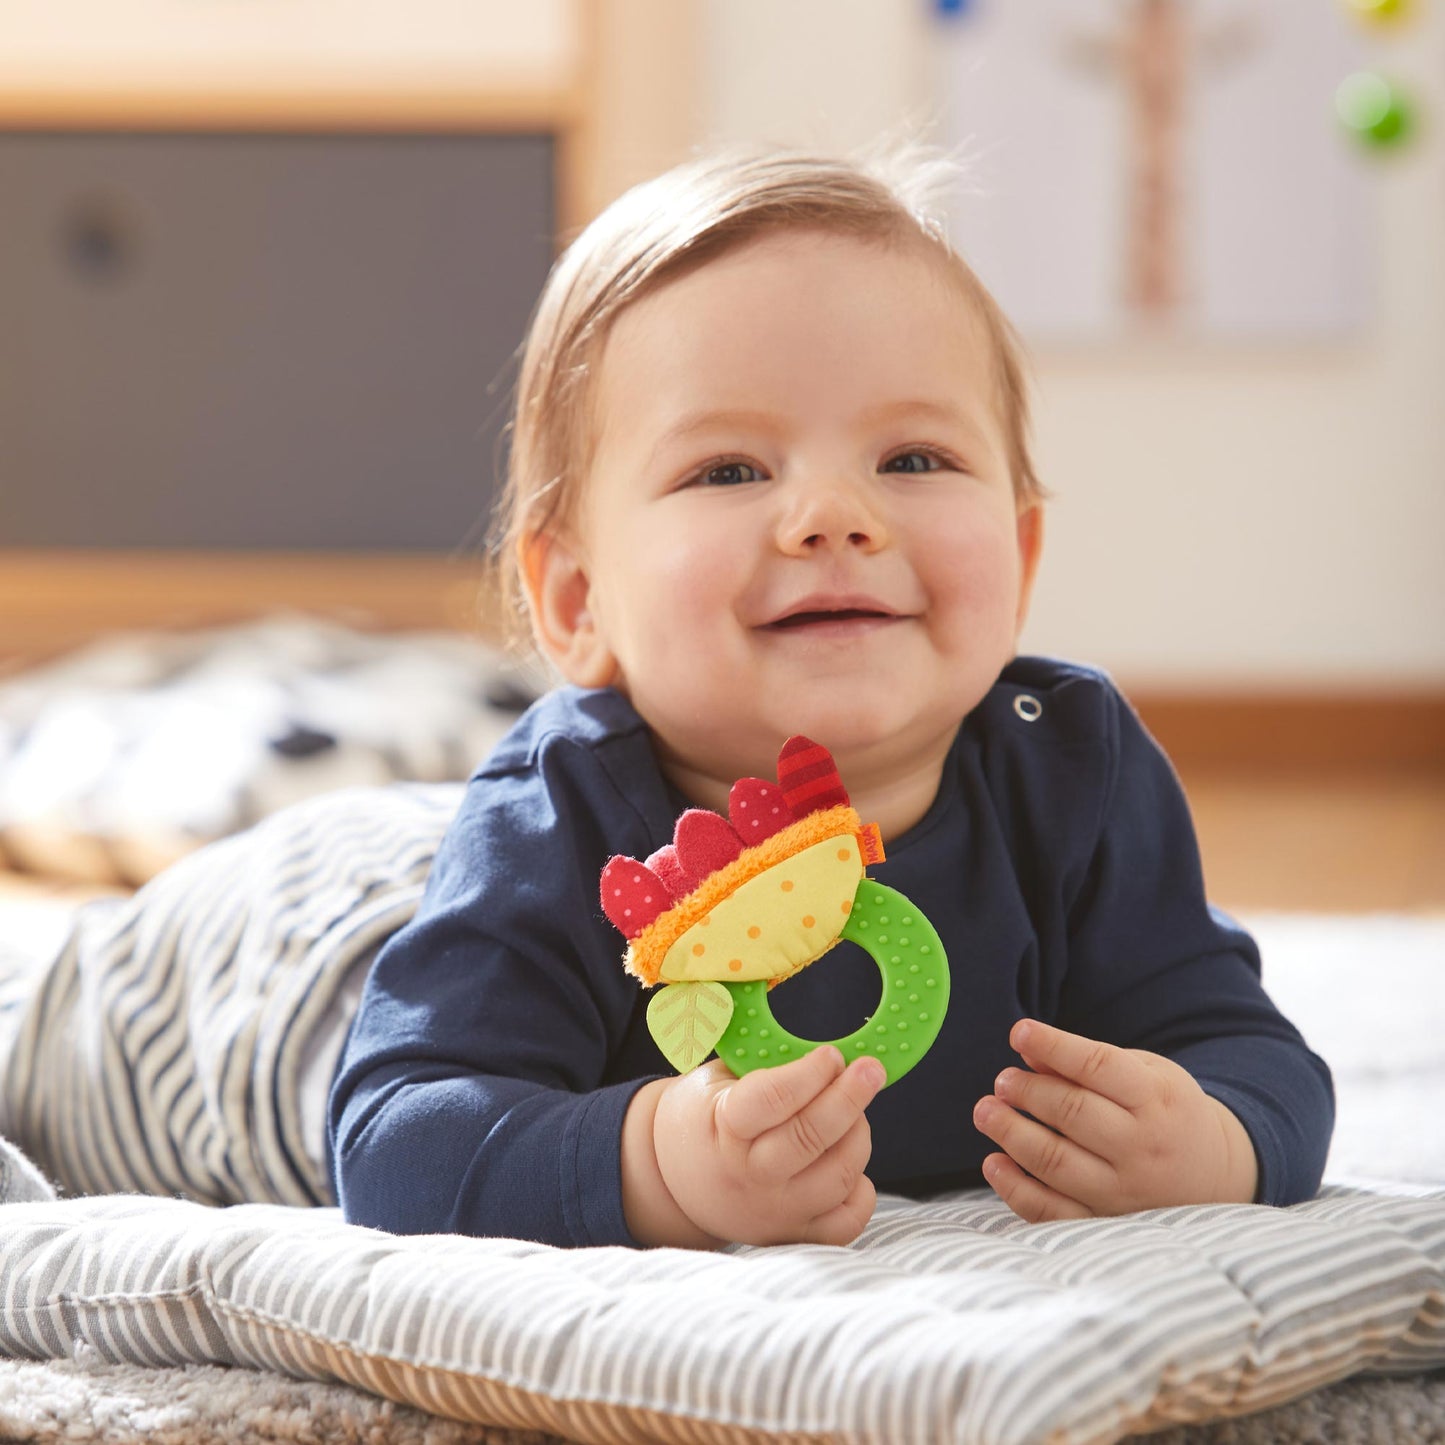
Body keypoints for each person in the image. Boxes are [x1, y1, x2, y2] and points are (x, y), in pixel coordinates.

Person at [327, 147, 1333, 1250]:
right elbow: (393, 1135)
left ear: (1021, 550)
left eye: (910, 456)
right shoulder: (551, 816)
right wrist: (653, 1164)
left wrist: (1218, 1142)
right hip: (313, 972)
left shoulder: (1074, 769)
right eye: (728, 469)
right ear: (576, 596)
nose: (834, 514)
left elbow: (1252, 1053)